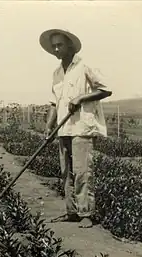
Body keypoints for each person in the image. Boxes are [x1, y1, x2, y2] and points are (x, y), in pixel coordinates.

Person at [39, 29, 112, 228]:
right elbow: (54, 103)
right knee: (66, 172)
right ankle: (71, 212)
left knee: (82, 172)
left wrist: (80, 98)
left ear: (69, 45)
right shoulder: (56, 74)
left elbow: (105, 89)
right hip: (63, 129)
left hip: (81, 127)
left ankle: (86, 213)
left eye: (59, 45)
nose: (56, 49)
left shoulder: (84, 66)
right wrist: (48, 127)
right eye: (53, 46)